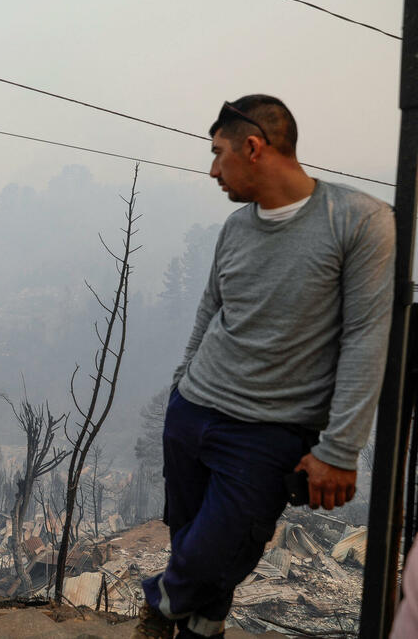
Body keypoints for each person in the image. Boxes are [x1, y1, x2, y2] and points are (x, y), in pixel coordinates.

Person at [132, 95, 395, 639]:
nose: (211, 170)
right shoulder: (236, 227)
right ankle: (205, 628)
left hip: (267, 430)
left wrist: (340, 449)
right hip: (193, 412)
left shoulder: (359, 223)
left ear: (253, 148)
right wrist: (183, 384)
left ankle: (160, 600)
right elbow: (211, 309)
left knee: (221, 548)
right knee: (189, 536)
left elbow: (368, 337)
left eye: (218, 154)